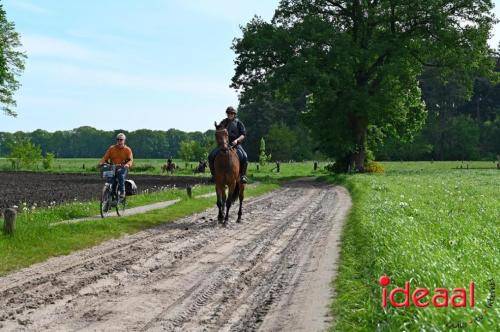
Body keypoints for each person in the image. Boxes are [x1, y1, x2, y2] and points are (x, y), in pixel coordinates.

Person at [208, 106, 248, 183]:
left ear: (234, 114)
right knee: (211, 156)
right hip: (223, 144)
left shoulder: (239, 123)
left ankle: (243, 175)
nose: (230, 114)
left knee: (245, 156)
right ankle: (214, 175)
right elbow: (218, 131)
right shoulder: (223, 122)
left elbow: (243, 134)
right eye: (228, 113)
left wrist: (237, 140)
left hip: (235, 144)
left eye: (231, 113)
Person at [99, 133, 133, 199]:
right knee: (110, 180)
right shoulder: (112, 148)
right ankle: (110, 197)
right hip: (113, 167)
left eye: (121, 140)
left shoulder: (127, 150)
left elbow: (130, 160)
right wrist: (101, 163)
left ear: (124, 140)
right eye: (118, 139)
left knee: (120, 174)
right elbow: (105, 158)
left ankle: (122, 192)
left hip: (123, 167)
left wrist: (127, 165)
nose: (119, 141)